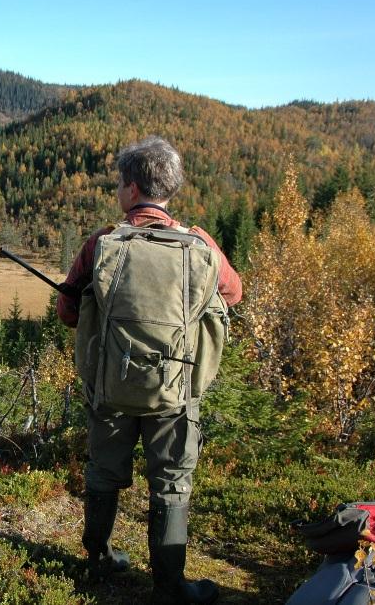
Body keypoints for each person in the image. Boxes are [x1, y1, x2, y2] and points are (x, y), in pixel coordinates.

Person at [57, 136, 242, 604]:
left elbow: (67, 310)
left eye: (120, 184)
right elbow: (233, 294)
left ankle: (97, 561)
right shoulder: (200, 245)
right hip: (174, 391)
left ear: (134, 189)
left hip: (111, 388)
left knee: (102, 472)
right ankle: (169, 586)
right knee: (172, 482)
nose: (118, 191)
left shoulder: (103, 243)